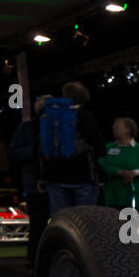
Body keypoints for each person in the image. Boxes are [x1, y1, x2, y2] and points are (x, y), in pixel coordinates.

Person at [39, 81, 103, 213]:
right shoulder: (83, 115)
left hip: (54, 175)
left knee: (61, 220)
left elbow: (38, 146)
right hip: (83, 175)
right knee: (86, 219)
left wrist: (41, 176)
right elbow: (99, 145)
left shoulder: (46, 115)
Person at [9, 94, 51, 268]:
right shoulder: (27, 128)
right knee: (38, 224)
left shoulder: (59, 126)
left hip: (56, 183)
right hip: (36, 183)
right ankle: (35, 260)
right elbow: (15, 152)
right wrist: (35, 153)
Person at [97, 117, 139, 211]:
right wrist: (120, 172)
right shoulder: (107, 148)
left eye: (117, 125)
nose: (113, 127)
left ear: (128, 129)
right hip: (113, 199)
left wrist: (134, 173)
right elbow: (102, 165)